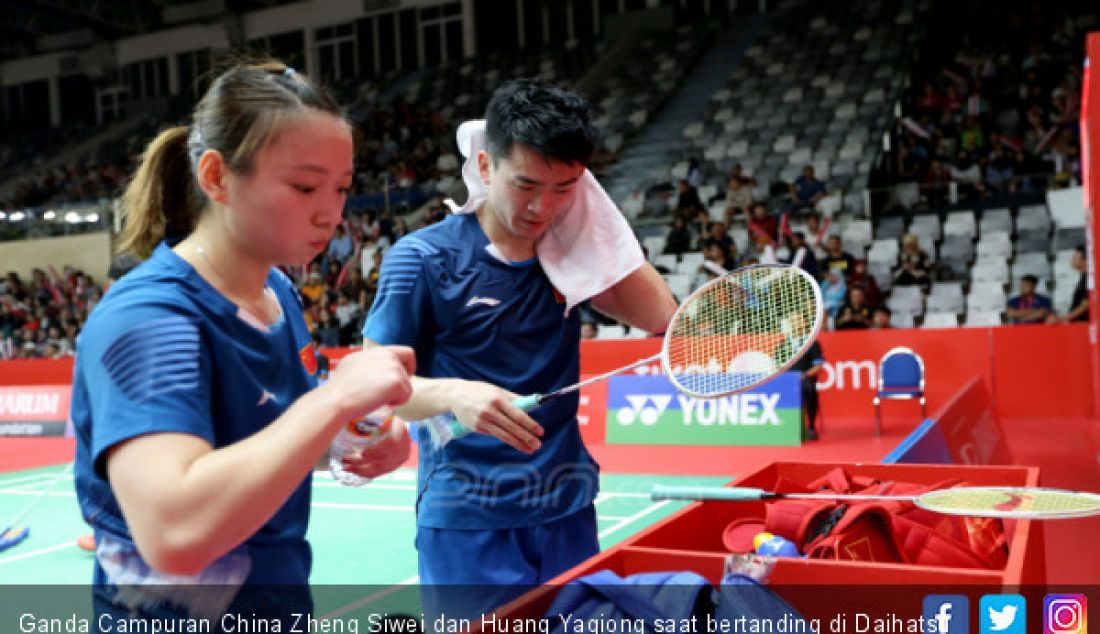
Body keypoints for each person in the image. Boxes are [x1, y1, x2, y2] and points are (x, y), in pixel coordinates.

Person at [69, 60, 416, 623]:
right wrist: (333, 402)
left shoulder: (276, 292)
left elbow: (264, 438)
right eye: (304, 186)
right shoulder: (149, 319)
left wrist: (352, 438)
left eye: (342, 188)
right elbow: (173, 532)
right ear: (216, 177)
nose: (331, 212)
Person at [361, 79, 677, 619]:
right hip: (469, 520)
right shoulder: (421, 259)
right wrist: (452, 394)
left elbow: (661, 317)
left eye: (564, 188)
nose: (542, 207)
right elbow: (376, 386)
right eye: (526, 184)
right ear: (484, 167)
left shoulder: (571, 256)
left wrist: (592, 215)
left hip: (567, 509)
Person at [773, 309, 823, 441]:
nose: (797, 322)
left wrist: (804, 375)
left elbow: (818, 365)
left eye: (799, 319)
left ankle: (811, 426)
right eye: (794, 320)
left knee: (809, 389)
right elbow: (776, 365)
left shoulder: (811, 342)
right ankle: (781, 425)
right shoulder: (783, 345)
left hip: (804, 378)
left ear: (805, 322)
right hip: (786, 380)